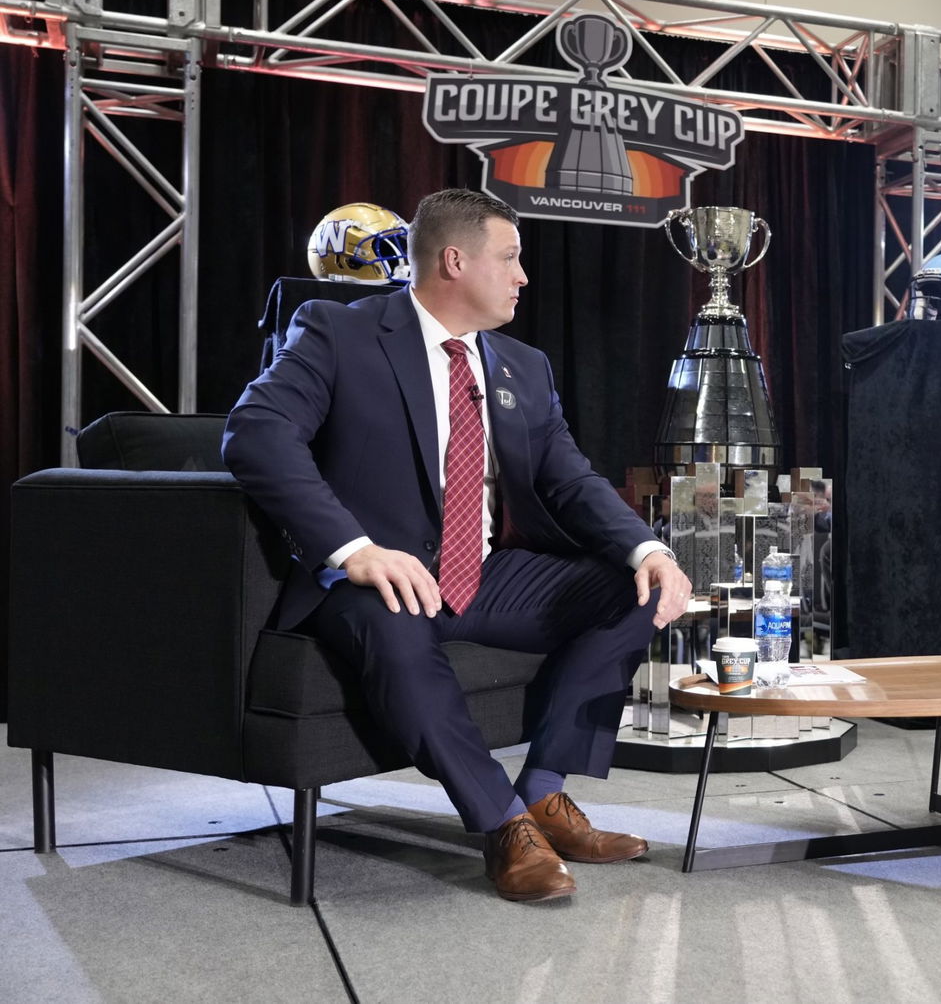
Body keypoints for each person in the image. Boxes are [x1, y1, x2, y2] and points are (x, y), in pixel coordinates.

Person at [223, 188, 693, 902]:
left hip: (484, 573)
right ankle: (502, 823)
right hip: (373, 579)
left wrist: (648, 551)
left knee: (634, 590)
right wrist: (352, 549)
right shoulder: (338, 331)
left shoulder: (522, 366)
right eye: (510, 259)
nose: (523, 277)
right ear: (454, 261)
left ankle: (542, 793)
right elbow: (256, 433)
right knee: (393, 623)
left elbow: (570, 478)